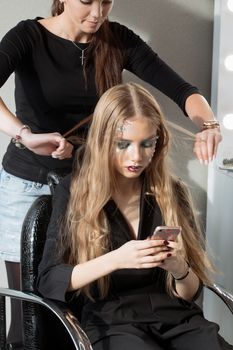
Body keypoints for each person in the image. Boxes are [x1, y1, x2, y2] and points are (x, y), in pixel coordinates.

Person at [0, 0, 222, 347]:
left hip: (95, 181)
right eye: (87, 1)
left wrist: (209, 125)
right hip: (30, 180)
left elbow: (182, 90)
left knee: (99, 293)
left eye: (106, 1)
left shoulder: (116, 40)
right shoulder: (28, 37)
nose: (97, 12)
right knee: (31, 315)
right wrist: (25, 135)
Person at [37, 83, 232, 350]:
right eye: (123, 144)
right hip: (112, 323)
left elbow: (189, 293)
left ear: (158, 143)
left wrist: (179, 269)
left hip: (177, 319)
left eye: (146, 144)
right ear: (103, 141)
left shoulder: (171, 192)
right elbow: (49, 280)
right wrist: (118, 258)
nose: (136, 156)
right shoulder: (74, 191)